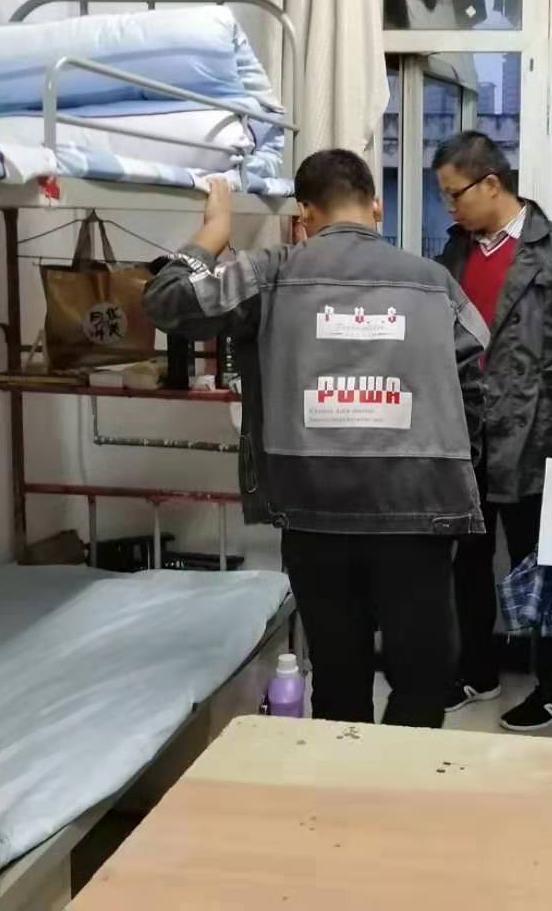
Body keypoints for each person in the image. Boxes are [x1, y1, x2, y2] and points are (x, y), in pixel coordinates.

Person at [144, 151, 488, 729]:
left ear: (303, 214)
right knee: (422, 677)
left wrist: (214, 232)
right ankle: (405, 778)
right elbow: (472, 378)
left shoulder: (270, 274)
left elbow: (165, 301)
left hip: (314, 508)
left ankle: (339, 780)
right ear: (376, 206)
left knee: (337, 676)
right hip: (420, 506)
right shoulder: (434, 283)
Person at [433, 131, 552, 732]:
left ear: (491, 184)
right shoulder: (455, 251)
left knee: (547, 566)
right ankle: (476, 670)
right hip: (468, 435)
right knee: (468, 563)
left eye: (454, 193)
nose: (449, 206)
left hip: (540, 439)